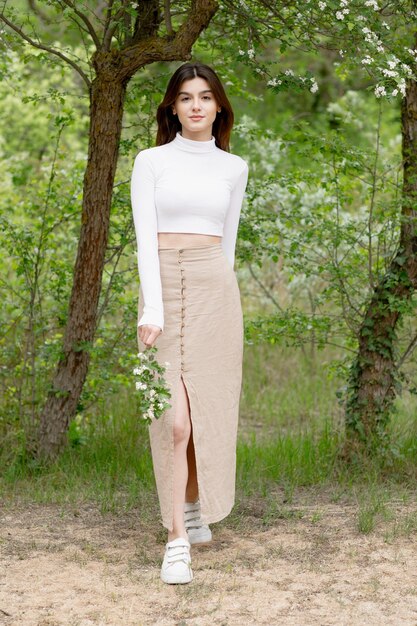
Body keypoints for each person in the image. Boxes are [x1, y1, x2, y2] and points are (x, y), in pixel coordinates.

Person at [130, 61, 249, 585]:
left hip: (214, 290)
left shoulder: (234, 168)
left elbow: (229, 241)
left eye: (204, 97)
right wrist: (151, 308)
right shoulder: (150, 161)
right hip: (163, 284)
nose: (195, 106)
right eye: (185, 98)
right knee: (173, 421)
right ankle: (176, 539)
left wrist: (222, 297)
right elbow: (143, 239)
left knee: (204, 414)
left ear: (218, 106)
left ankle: (195, 506)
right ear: (172, 107)